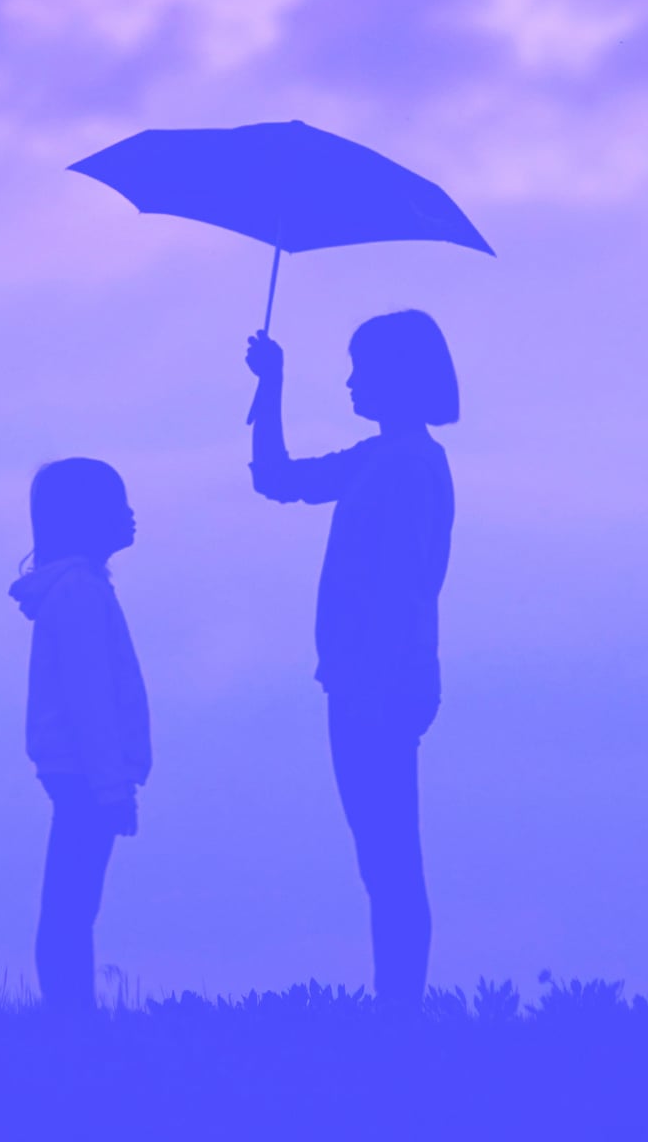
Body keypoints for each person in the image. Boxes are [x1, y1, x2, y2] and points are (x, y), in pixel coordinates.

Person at [244, 310, 458, 1012]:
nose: (350, 381)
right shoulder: (382, 459)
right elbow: (276, 479)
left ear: (399, 377)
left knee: (391, 858)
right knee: (384, 857)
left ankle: (400, 1011)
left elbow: (400, 588)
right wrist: (269, 386)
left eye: (362, 368)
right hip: (366, 684)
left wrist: (377, 686)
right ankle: (397, 1007)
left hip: (379, 689)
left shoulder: (407, 466)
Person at [8, 456, 152, 1012]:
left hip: (82, 774)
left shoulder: (80, 589)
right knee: (73, 904)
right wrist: (113, 787)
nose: (132, 514)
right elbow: (91, 699)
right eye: (118, 504)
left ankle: (70, 1013)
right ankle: (70, 1017)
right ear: (87, 518)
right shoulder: (80, 592)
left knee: (72, 900)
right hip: (86, 776)